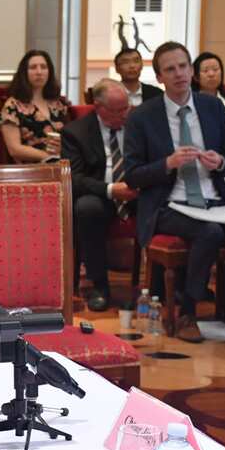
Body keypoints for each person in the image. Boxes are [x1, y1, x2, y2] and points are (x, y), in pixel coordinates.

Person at [123, 40, 225, 343]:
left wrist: (219, 162)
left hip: (214, 197)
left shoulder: (212, 106)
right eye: (170, 69)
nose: (178, 74)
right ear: (160, 77)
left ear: (191, 70)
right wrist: (168, 163)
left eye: (183, 66)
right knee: (211, 233)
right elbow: (133, 176)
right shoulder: (142, 117)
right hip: (169, 204)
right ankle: (187, 312)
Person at [61, 78, 139, 311]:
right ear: (98, 107)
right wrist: (110, 189)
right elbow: (74, 179)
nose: (123, 115)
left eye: (126, 108)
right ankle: (99, 286)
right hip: (101, 193)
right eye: (117, 110)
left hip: (137, 191)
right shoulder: (76, 132)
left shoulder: (138, 124)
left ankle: (151, 290)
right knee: (86, 209)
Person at [0, 49, 68, 162]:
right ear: (24, 73)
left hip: (60, 166)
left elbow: (69, 140)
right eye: (33, 67)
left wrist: (62, 150)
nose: (39, 72)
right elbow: (14, 149)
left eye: (44, 67)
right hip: (30, 170)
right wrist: (48, 158)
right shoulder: (13, 105)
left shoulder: (58, 105)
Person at [191, 51, 225, 129]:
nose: (211, 74)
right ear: (196, 77)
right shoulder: (190, 101)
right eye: (205, 71)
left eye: (215, 69)